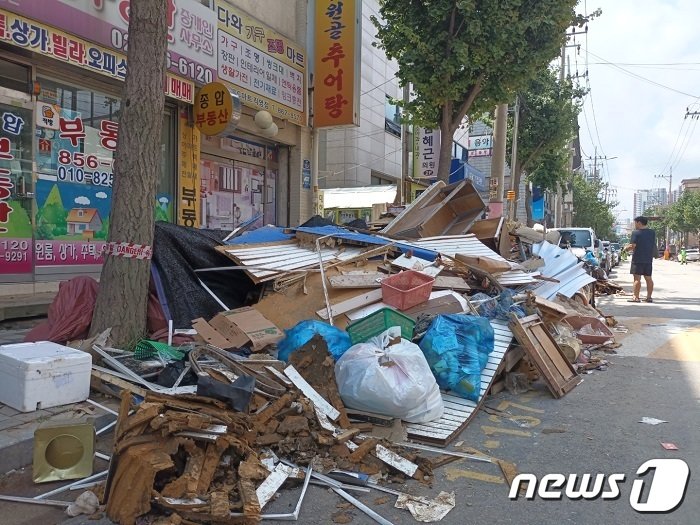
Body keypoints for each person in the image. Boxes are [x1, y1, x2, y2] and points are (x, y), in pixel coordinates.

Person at [624, 216, 657, 303]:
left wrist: (625, 249)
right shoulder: (652, 232)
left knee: (637, 279)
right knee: (648, 278)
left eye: (635, 223)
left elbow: (632, 246)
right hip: (648, 259)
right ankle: (649, 297)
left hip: (637, 259)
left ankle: (636, 297)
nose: (635, 225)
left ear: (639, 223)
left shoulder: (636, 233)